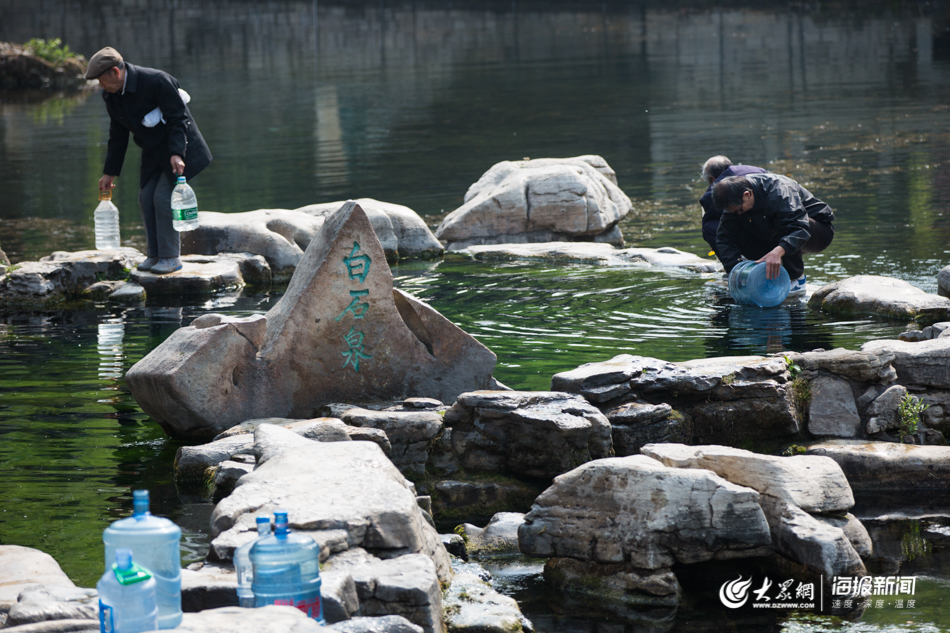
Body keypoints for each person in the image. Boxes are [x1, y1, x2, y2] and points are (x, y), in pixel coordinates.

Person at [85, 47, 212, 274]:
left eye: (102, 81)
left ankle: (171, 257)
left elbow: (178, 119)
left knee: (163, 197)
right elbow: (118, 135)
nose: (101, 87)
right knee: (145, 197)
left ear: (115, 72)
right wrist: (109, 172)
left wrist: (176, 153)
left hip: (181, 148)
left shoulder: (156, 81)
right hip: (153, 152)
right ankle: (154, 255)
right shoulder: (111, 96)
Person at [712, 173, 835, 296]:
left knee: (783, 223)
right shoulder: (737, 201)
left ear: (747, 194)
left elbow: (799, 228)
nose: (738, 213)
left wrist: (778, 252)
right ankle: (762, 274)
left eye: (739, 209)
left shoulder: (780, 190)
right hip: (775, 233)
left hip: (816, 232)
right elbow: (724, 238)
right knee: (735, 227)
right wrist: (736, 269)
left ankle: (796, 279)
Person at [698, 155, 767, 259]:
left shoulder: (713, 192)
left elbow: (715, 227)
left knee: (709, 227)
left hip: (757, 229)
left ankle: (733, 263)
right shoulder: (759, 170)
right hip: (772, 220)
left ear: (712, 179)